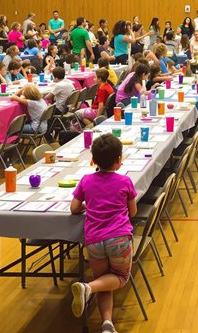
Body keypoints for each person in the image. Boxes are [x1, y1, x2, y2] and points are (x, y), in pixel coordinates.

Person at [69, 133, 137, 331]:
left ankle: (107, 324)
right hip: (119, 239)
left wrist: (87, 205)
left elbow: (74, 208)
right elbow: (132, 211)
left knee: (103, 280)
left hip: (94, 240)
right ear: (119, 160)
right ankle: (87, 288)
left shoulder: (86, 180)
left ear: (93, 160)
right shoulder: (125, 182)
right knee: (120, 278)